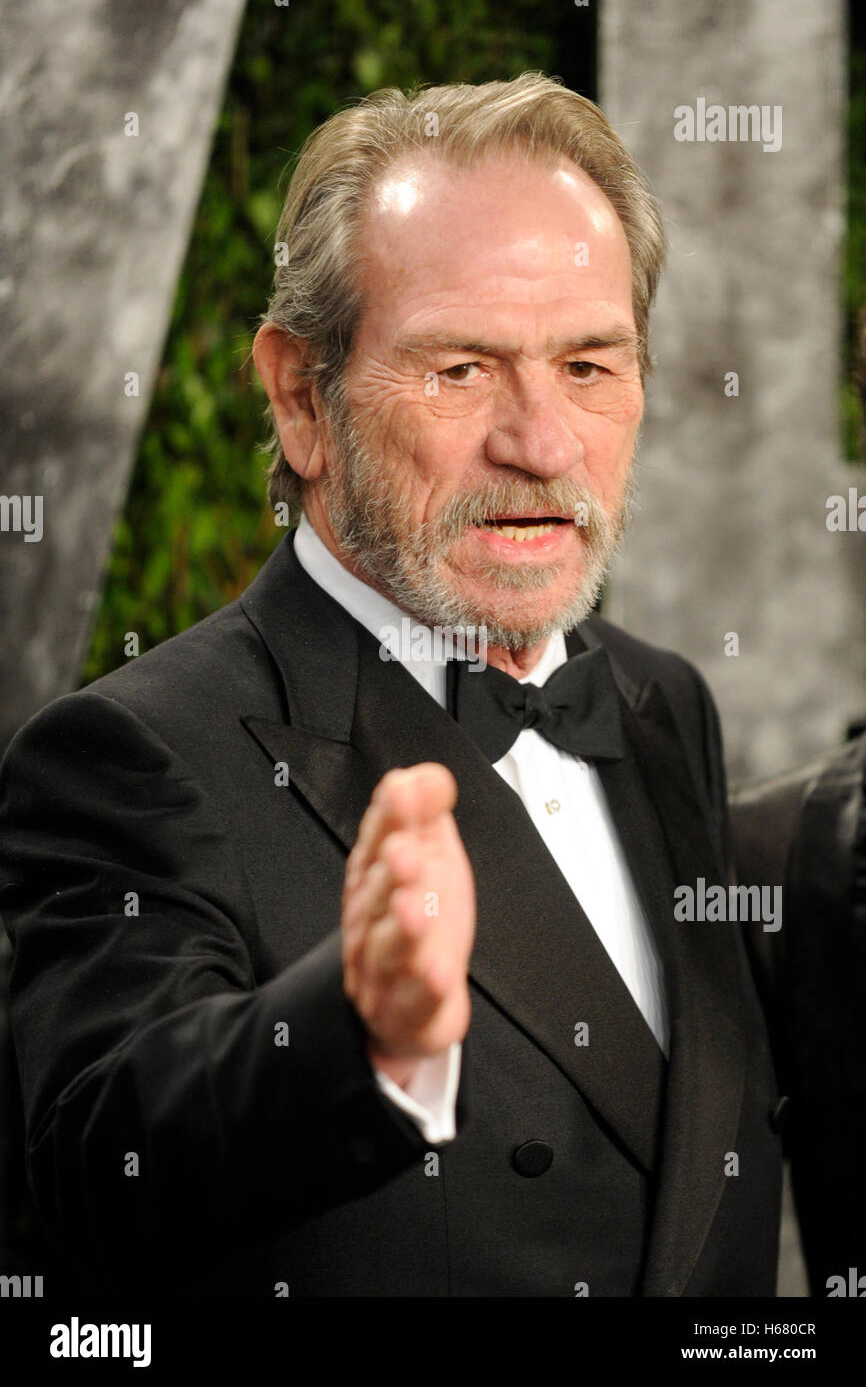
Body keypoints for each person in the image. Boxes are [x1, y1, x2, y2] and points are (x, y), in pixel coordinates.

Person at [0, 73, 783, 1297]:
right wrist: (357, 1035)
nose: (540, 441)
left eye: (586, 366)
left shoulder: (659, 702)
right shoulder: (131, 752)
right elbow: (102, 1170)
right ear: (302, 399)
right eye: (460, 369)